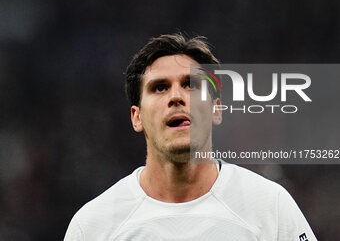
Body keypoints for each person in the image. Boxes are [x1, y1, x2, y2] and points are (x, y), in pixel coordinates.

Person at [64, 34, 317, 240]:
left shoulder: (270, 208)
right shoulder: (93, 227)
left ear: (216, 110)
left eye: (191, 85)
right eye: (160, 87)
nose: (176, 97)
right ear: (136, 117)